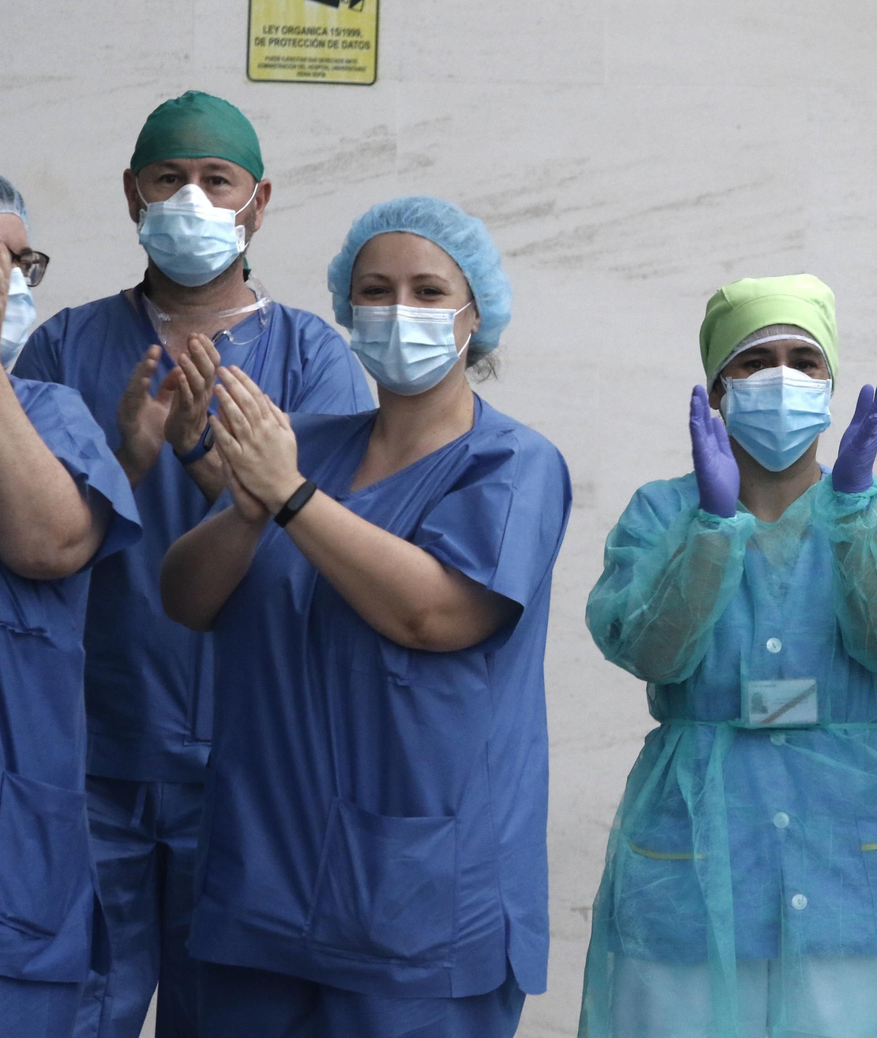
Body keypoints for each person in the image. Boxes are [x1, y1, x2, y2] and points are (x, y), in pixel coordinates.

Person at [159, 196, 569, 1038]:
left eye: (427, 292)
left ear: (475, 313)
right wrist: (245, 507)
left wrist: (289, 496)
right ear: (348, 307)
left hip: (418, 908)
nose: (397, 310)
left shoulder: (514, 465)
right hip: (262, 889)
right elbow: (186, 600)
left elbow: (434, 613)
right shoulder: (300, 442)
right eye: (376, 290)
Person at [12, 91, 374, 1038]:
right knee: (81, 1000)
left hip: (251, 757)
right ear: (131, 194)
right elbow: (36, 537)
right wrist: (128, 455)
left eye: (218, 180)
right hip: (94, 744)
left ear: (260, 202)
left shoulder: (312, 358)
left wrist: (209, 463)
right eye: (168, 178)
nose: (192, 199)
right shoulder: (65, 345)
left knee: (232, 1010)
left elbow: (324, 544)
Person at [579, 274, 877, 1038]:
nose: (782, 377)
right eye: (754, 363)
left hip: (850, 870)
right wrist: (712, 527)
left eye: (804, 359)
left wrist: (855, 512)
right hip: (696, 866)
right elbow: (649, 648)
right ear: (717, 390)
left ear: (830, 382)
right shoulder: (665, 512)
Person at [0, 176, 140, 1036]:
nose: (11, 285)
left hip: (13, 887)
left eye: (20, 264)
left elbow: (50, 540)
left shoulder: (49, 413)